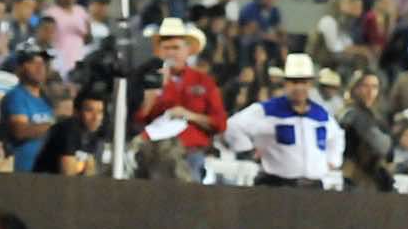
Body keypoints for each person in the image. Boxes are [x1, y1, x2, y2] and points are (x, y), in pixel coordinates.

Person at [224, 53, 345, 188]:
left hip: (313, 187)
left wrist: (332, 161)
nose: (299, 87)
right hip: (278, 185)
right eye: (294, 82)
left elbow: (337, 136)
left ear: (310, 84)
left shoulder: (322, 114)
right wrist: (248, 151)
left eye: (303, 82)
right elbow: (233, 125)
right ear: (286, 83)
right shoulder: (267, 109)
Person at [136, 17, 228, 180]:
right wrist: (155, 88)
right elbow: (139, 117)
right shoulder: (147, 79)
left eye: (176, 48)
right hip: (154, 151)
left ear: (187, 50)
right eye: (166, 48)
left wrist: (188, 115)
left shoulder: (204, 81)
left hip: (190, 151)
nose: (171, 53)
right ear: (158, 51)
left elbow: (219, 123)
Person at [0, 43, 57, 173]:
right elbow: (20, 130)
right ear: (19, 68)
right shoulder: (16, 96)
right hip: (23, 173)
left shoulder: (46, 100)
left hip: (45, 173)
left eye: (42, 63)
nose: (40, 67)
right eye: (32, 62)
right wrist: (55, 126)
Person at [34, 88, 107, 175]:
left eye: (100, 112)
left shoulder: (96, 135)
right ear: (76, 112)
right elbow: (68, 177)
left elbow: (91, 174)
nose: (96, 118)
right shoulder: (67, 130)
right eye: (89, 111)